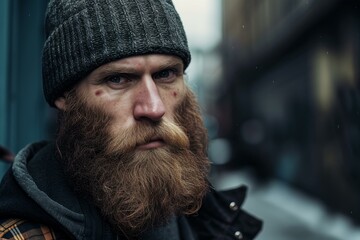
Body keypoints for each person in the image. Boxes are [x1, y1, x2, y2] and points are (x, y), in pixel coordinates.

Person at [0, 0, 262, 239]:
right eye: (118, 79)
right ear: (64, 96)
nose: (154, 107)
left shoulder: (204, 220)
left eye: (166, 74)